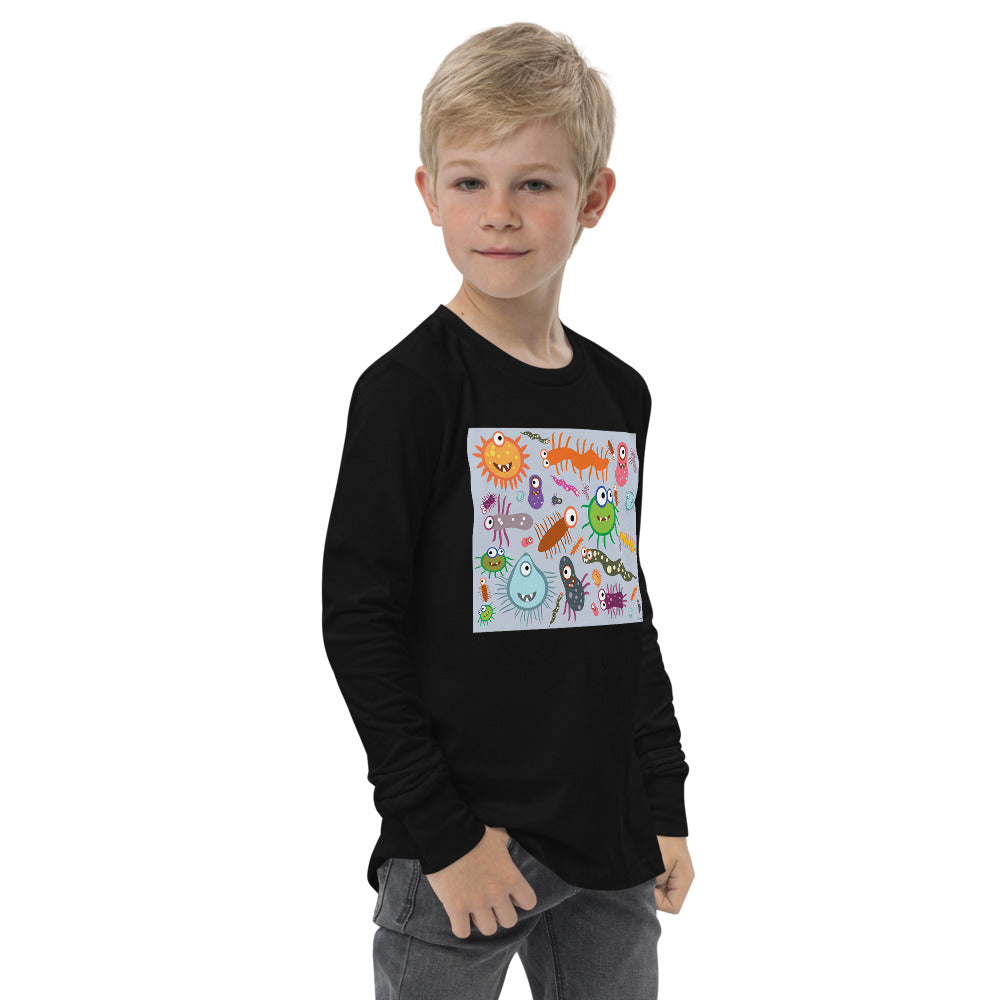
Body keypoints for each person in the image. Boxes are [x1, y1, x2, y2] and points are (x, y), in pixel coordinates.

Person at [322, 22, 694, 1000]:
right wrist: (444, 837)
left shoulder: (617, 394)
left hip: (608, 843)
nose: (498, 213)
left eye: (533, 183)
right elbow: (358, 622)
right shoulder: (407, 393)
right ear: (427, 193)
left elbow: (621, 606)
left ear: (593, 197)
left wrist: (662, 796)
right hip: (464, 851)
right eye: (469, 181)